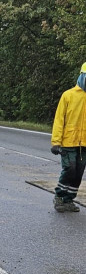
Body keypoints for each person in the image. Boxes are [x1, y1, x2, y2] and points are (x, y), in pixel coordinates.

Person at [50, 62, 86, 213]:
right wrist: (56, 142)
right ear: (82, 76)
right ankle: (59, 197)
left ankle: (69, 200)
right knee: (70, 169)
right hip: (68, 142)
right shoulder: (68, 95)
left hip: (83, 144)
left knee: (78, 172)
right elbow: (59, 120)